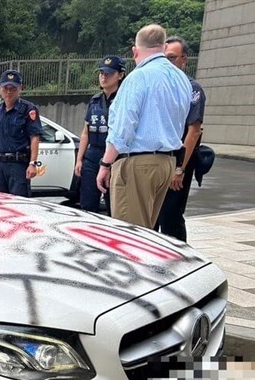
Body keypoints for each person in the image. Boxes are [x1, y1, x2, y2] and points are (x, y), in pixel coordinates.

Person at [96, 24, 191, 229]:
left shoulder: (138, 77)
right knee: (146, 232)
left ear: (135, 50)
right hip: (166, 161)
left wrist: (105, 164)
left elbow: (123, 129)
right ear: (163, 47)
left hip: (137, 163)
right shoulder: (181, 79)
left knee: (129, 236)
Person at [156, 35, 206, 242]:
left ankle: (178, 263)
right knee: (152, 217)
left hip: (178, 161)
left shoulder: (192, 90)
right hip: (156, 160)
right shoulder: (157, 86)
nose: (167, 63)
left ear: (184, 60)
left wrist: (179, 169)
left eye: (172, 58)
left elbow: (193, 131)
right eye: (163, 58)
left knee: (171, 216)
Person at [74, 56, 126, 214]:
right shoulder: (95, 100)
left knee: (114, 205)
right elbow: (85, 132)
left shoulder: (124, 100)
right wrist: (79, 159)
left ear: (120, 75)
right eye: (101, 73)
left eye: (109, 73)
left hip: (114, 155)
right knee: (87, 205)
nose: (104, 76)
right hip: (93, 155)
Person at [0, 69, 43, 197]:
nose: (8, 92)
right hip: (0, 165)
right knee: (1, 203)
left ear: (20, 88)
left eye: (13, 88)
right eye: (5, 88)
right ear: (0, 89)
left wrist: (32, 164)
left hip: (19, 165)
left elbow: (34, 138)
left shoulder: (28, 109)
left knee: (19, 203)